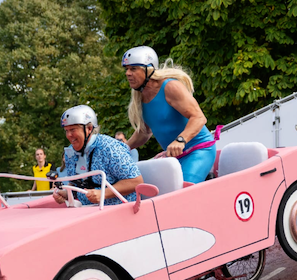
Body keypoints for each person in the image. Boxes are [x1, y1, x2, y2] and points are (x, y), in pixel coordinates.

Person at [121, 45, 217, 184]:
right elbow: (144, 133)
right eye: (127, 69)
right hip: (174, 157)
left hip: (198, 150)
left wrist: (181, 140)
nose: (128, 73)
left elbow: (199, 117)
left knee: (180, 194)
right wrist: (123, 149)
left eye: (133, 69)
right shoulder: (140, 97)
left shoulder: (170, 86)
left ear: (148, 69)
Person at [53, 105, 143, 207]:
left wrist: (103, 194)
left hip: (118, 210)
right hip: (87, 211)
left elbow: (136, 181)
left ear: (89, 128)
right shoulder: (70, 153)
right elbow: (76, 183)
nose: (68, 135)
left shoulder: (109, 148)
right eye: (66, 130)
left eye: (73, 130)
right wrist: (67, 193)